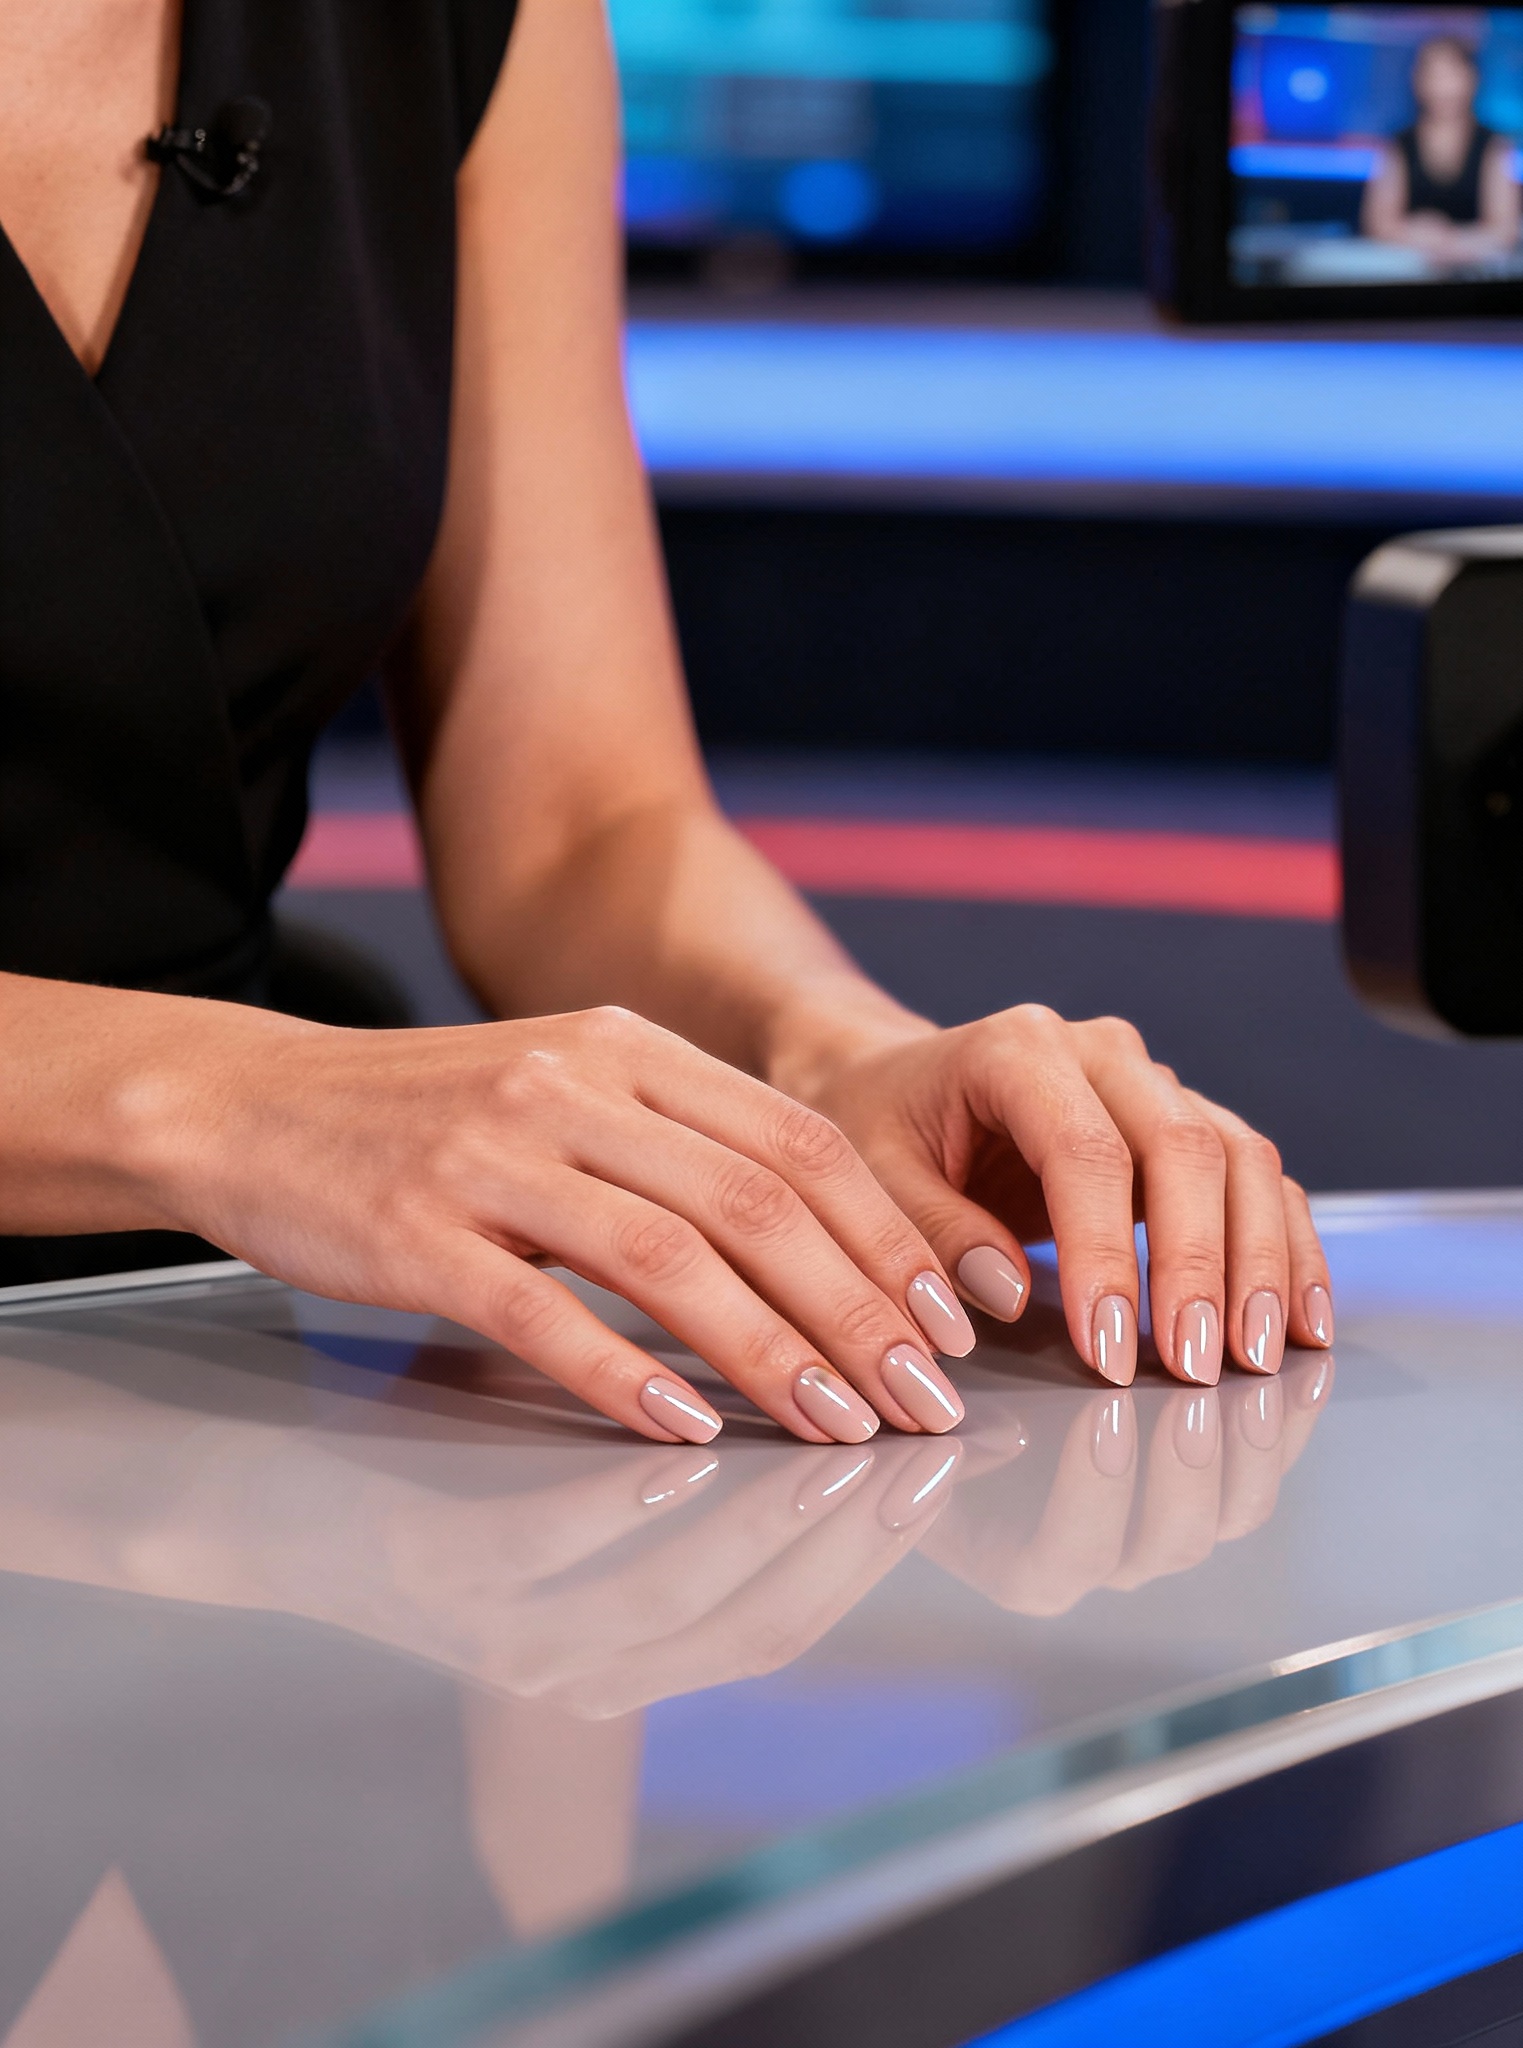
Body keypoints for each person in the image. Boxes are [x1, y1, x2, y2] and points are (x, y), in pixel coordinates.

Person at [0, 0, 1333, 1450]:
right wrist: (227, 1105)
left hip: (177, 1369)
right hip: (211, 1187)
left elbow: (582, 825)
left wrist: (828, 1058)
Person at [1363, 34, 1523, 270]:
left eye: (1451, 74)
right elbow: (1377, 223)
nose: (1441, 86)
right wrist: (1416, 234)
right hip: (1407, 271)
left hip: (1476, 275)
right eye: (1433, 75)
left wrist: (1455, 243)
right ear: (1416, 81)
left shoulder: (1494, 145)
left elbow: (1506, 230)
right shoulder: (1399, 144)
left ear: (1471, 78)